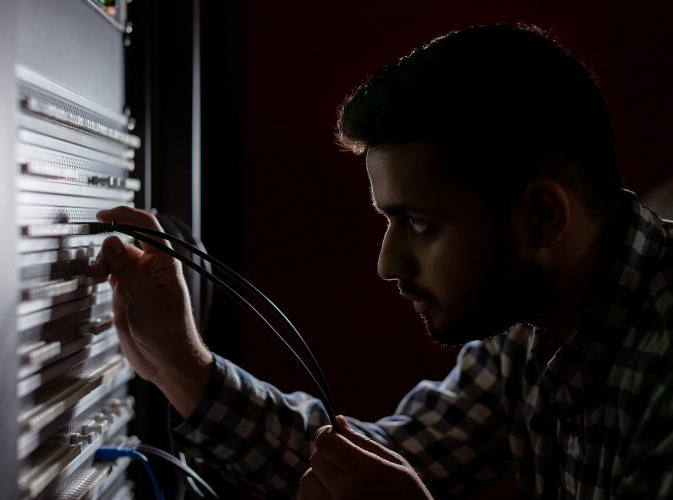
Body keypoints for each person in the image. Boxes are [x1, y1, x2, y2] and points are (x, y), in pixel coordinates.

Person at [86, 24, 673, 499]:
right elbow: (369, 462)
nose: (388, 263)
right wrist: (181, 366)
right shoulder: (530, 333)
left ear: (543, 217)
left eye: (420, 225)